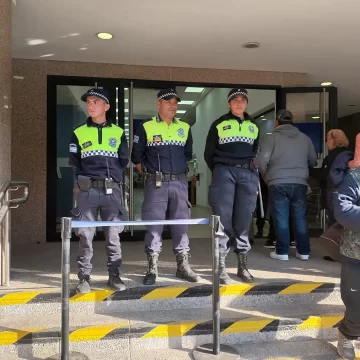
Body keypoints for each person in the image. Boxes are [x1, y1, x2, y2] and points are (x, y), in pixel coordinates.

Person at [131, 88, 200, 286]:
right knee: (154, 225)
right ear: (158, 104)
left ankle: (183, 266)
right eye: (168, 101)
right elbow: (137, 157)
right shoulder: (146, 127)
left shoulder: (185, 128)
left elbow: (187, 154)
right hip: (156, 182)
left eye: (175, 102)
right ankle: (152, 267)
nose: (172, 105)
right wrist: (152, 174)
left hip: (179, 182)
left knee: (181, 225)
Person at [69, 88, 129, 294]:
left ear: (106, 106)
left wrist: (113, 178)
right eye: (88, 102)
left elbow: (123, 160)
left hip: (112, 190)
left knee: (113, 235)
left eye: (95, 101)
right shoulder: (78, 132)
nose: (91, 105)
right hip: (87, 191)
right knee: (85, 235)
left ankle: (114, 275)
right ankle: (84, 278)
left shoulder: (119, 132)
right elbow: (74, 161)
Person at [204, 88, 259, 285]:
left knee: (244, 219)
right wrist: (221, 168)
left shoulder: (254, 125)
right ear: (229, 103)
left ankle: (242, 265)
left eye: (243, 99)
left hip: (247, 174)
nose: (239, 102)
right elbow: (209, 153)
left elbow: (255, 150)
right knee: (223, 219)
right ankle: (220, 267)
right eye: (235, 99)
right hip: (224, 172)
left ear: (246, 103)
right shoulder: (219, 124)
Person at [254, 110, 317, 261]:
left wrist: (266, 176)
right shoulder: (305, 139)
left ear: (277, 122)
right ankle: (304, 252)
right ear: (292, 122)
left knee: (281, 218)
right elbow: (313, 161)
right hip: (300, 183)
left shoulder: (271, 138)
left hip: (278, 182)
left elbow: (261, 162)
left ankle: (282, 252)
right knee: (300, 218)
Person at [332, 133, 360, 360]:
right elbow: (342, 208)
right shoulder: (354, 177)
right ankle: (347, 335)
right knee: (356, 304)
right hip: (356, 253)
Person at [309, 129, 352, 261]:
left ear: (334, 140)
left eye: (328, 139)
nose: (327, 142)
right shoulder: (348, 154)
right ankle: (345, 253)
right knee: (344, 225)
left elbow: (324, 175)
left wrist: (308, 168)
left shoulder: (333, 157)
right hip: (347, 194)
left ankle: (337, 254)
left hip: (334, 194)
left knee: (335, 224)